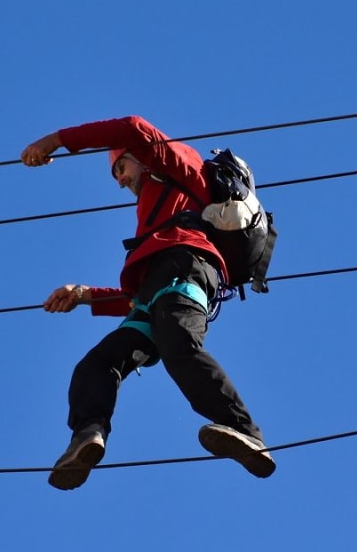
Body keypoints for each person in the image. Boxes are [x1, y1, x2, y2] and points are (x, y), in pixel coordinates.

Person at [21, 115, 275, 491]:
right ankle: (87, 436)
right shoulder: (155, 216)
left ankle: (245, 431)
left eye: (120, 167)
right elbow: (142, 298)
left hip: (188, 271)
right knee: (97, 364)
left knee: (178, 345)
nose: (120, 180)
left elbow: (132, 126)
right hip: (156, 292)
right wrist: (84, 295)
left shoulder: (184, 171)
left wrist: (57, 139)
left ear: (139, 157)